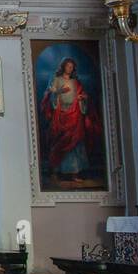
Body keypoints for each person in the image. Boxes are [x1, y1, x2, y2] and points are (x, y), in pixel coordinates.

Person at [39, 57, 98, 185]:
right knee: (60, 142)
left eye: (71, 67)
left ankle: (74, 172)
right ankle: (56, 171)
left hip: (75, 114)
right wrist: (60, 91)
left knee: (76, 142)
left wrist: (82, 98)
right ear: (63, 67)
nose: (69, 69)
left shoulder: (75, 82)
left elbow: (83, 95)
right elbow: (50, 94)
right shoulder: (57, 80)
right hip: (61, 115)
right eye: (67, 66)